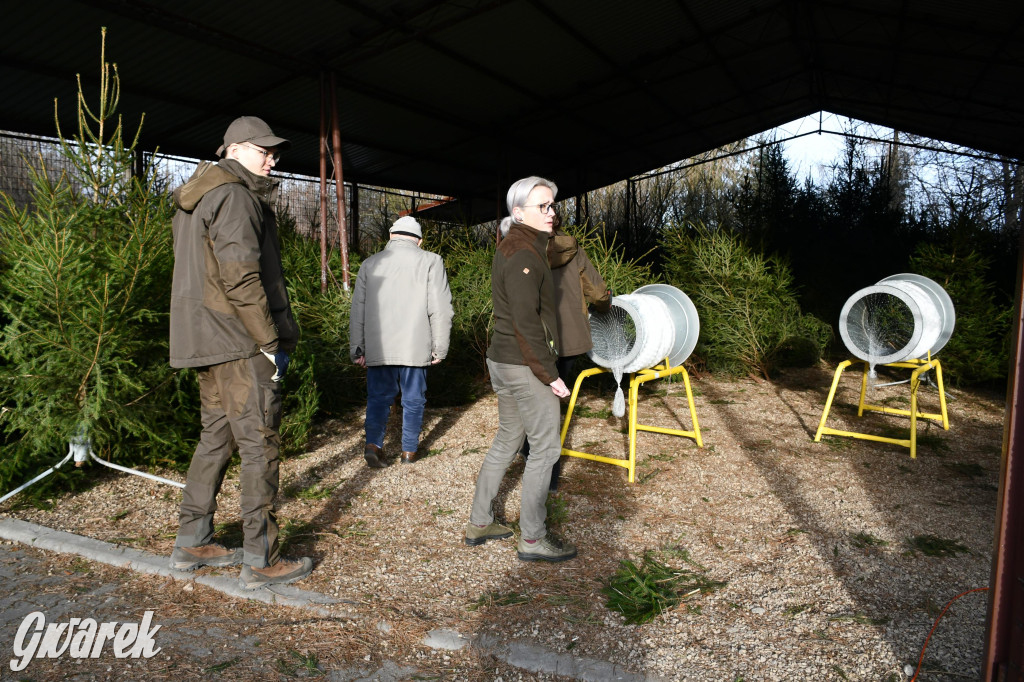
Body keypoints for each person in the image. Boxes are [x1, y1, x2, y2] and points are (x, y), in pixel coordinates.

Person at [168, 116, 313, 590]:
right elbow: (240, 277)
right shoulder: (233, 196)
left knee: (217, 438)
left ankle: (192, 540)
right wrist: (269, 342)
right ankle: (261, 559)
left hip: (205, 339)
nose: (273, 159)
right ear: (233, 150)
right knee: (259, 445)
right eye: (263, 150)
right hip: (238, 341)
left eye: (275, 152)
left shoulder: (197, 197)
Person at [465, 176, 576, 562]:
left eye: (552, 205)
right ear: (518, 212)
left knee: (508, 438)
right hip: (522, 363)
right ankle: (532, 538)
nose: (552, 213)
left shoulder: (516, 246)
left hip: (504, 360)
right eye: (543, 207)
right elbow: (526, 323)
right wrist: (551, 374)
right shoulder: (525, 254)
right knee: (545, 449)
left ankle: (480, 521)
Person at [509, 215, 611, 491]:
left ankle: (528, 449)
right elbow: (598, 292)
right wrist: (606, 307)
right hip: (567, 338)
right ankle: (549, 479)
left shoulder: (521, 248)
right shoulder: (573, 248)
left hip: (534, 336)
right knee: (553, 405)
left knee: (535, 396)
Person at [349, 216, 453, 466]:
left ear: (391, 237)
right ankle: (409, 451)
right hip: (415, 346)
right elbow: (440, 308)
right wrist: (440, 347)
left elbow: (358, 310)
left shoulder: (369, 264)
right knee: (414, 399)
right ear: (419, 240)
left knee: (378, 398)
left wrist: (358, 347)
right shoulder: (431, 261)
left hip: (379, 346)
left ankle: (373, 444)